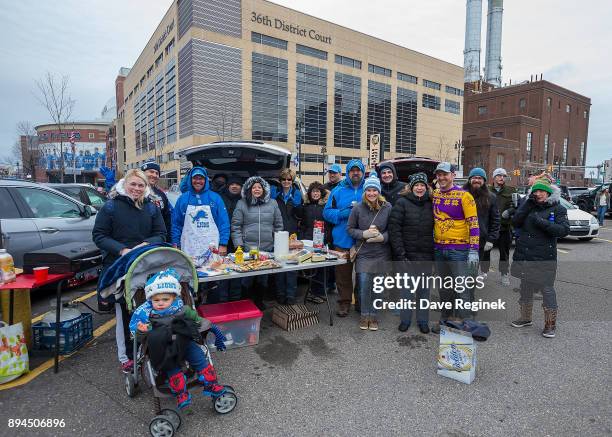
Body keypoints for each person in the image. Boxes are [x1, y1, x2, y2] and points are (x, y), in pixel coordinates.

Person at [92, 169, 167, 373]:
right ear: (125, 185)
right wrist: (122, 249)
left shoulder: (151, 207)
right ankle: (126, 356)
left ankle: (151, 346)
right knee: (125, 312)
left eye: (141, 185)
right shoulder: (111, 207)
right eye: (133, 184)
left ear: (146, 187)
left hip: (145, 264)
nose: (136, 188)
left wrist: (144, 244)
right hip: (119, 266)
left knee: (149, 307)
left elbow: (161, 234)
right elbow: (99, 235)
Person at [129, 268, 228, 410]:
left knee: (200, 359)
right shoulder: (148, 316)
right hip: (165, 349)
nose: (161, 303)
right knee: (172, 369)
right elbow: (140, 338)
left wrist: (205, 325)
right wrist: (141, 331)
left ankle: (211, 384)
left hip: (185, 343)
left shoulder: (182, 309)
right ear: (150, 299)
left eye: (165, 299)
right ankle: (181, 393)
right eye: (156, 300)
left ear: (174, 298)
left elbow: (196, 319)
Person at [510, 178, 569, 338]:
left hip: (544, 256)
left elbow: (563, 230)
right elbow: (515, 221)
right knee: (525, 287)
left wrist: (542, 222)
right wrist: (527, 205)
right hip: (525, 254)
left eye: (541, 191)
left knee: (547, 289)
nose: (538, 194)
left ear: (549, 192)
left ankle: (550, 325)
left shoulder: (558, 209)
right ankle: (525, 318)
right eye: (535, 191)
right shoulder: (528, 205)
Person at [431, 162, 480, 332]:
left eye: (445, 174)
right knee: (444, 288)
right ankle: (445, 319)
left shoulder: (465, 196)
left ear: (453, 175)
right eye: (439, 174)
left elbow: (473, 224)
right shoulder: (435, 194)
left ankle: (465, 323)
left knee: (462, 289)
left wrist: (474, 250)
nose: (442, 177)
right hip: (439, 249)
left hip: (459, 250)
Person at [388, 172, 434, 333]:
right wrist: (401, 254)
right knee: (406, 291)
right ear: (411, 187)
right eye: (417, 185)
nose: (420, 188)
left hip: (426, 255)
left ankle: (422, 321)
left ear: (427, 187)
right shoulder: (402, 203)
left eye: (423, 185)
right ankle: (405, 320)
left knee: (423, 291)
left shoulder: (432, 203)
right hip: (407, 255)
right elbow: (394, 230)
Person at [347, 172, 391, 331]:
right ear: (365, 192)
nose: (372, 193)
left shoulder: (387, 208)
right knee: (365, 285)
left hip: (381, 253)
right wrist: (363, 234)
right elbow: (350, 229)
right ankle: (365, 314)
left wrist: (382, 237)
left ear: (379, 191)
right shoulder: (358, 208)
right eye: (369, 190)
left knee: (377, 286)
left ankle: (374, 315)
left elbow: (393, 230)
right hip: (364, 253)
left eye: (375, 190)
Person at [231, 176, 283, 309]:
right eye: (254, 187)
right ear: (249, 189)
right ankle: (245, 304)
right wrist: (239, 245)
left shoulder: (273, 203)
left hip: (267, 248)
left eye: (259, 187)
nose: (257, 189)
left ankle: (259, 302)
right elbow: (236, 226)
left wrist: (278, 243)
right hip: (248, 248)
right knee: (247, 277)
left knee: (263, 277)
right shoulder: (242, 203)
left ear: (264, 189)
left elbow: (278, 225)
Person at [323, 159, 366, 317]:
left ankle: (361, 303)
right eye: (352, 170)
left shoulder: (369, 189)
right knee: (343, 275)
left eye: (358, 170)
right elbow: (326, 213)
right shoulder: (338, 191)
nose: (355, 173)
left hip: (363, 241)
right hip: (342, 240)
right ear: (347, 173)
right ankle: (344, 303)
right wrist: (342, 214)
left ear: (362, 172)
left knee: (362, 275)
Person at [171, 166, 230, 262]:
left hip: (212, 247)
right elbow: (176, 224)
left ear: (205, 180)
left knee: (213, 273)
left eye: (201, 178)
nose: (198, 181)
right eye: (195, 178)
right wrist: (175, 244)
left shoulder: (215, 198)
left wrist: (223, 243)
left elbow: (224, 223)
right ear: (190, 179)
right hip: (189, 247)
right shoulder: (183, 199)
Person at [272, 169, 302, 305]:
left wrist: (297, 205)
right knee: (279, 265)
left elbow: (300, 214)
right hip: (277, 234)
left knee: (291, 265)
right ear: (280, 180)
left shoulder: (297, 194)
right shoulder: (275, 194)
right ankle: (280, 294)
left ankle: (290, 295)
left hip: (292, 233)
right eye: (284, 179)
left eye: (289, 180)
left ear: (292, 181)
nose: (286, 182)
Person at [463, 168, 500, 279]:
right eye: (474, 178)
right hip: (461, 238)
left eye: (480, 178)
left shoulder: (491, 197)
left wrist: (491, 239)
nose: (477, 180)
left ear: (484, 180)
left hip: (479, 240)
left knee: (472, 270)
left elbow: (496, 220)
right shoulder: (460, 194)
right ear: (470, 179)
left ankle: (469, 292)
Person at [214, 176, 244, 303]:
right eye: (232, 184)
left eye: (238, 184)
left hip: (239, 242)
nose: (235, 186)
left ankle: (236, 300)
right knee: (223, 271)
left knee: (238, 270)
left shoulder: (244, 200)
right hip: (222, 242)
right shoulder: (219, 198)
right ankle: (223, 301)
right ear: (228, 186)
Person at [297, 181, 328, 303]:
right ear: (309, 193)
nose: (315, 193)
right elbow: (302, 224)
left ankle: (319, 292)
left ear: (321, 193)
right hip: (308, 240)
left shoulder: (325, 207)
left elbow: (329, 224)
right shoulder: (305, 207)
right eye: (313, 191)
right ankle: (311, 292)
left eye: (318, 191)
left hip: (322, 241)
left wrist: (327, 238)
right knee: (310, 267)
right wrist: (302, 237)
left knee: (321, 268)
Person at [489, 168, 516, 286]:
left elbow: (516, 205)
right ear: (494, 177)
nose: (501, 178)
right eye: (499, 175)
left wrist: (510, 211)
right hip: (489, 227)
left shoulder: (511, 190)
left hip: (504, 227)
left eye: (504, 176)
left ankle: (504, 274)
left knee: (504, 253)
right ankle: (484, 272)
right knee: (485, 252)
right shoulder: (486, 189)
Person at [141, 161, 172, 238]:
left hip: (158, 239)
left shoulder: (161, 195)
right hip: (138, 239)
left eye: (157, 173)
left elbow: (167, 218)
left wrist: (168, 238)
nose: (154, 175)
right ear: (143, 173)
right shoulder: (136, 191)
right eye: (151, 172)